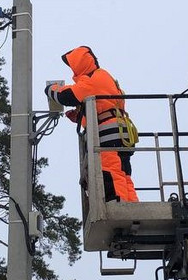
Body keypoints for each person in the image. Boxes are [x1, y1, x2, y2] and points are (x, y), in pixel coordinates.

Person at [44, 46, 138, 202]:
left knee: (110, 171)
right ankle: (132, 205)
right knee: (123, 173)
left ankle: (117, 205)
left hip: (109, 134)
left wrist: (51, 89)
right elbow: (103, 106)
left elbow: (67, 96)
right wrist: (80, 117)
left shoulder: (91, 78)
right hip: (119, 131)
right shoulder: (104, 76)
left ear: (79, 64)